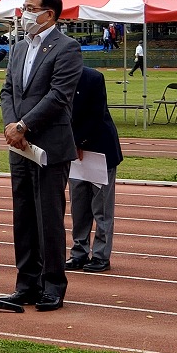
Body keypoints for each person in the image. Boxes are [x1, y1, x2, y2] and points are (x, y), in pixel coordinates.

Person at [0, 0, 83, 311]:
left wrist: (24, 125)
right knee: (23, 216)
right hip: (19, 146)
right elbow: (8, 91)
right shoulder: (19, 48)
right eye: (23, 7)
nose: (24, 13)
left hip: (48, 144)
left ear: (49, 13)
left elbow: (59, 95)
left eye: (30, 8)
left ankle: (53, 286)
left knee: (48, 217)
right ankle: (26, 283)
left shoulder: (67, 48)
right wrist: (12, 127)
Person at [66, 67, 124, 274]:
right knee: (78, 206)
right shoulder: (55, 77)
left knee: (101, 208)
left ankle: (100, 255)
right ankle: (79, 251)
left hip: (99, 150)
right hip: (73, 152)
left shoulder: (93, 78)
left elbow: (96, 114)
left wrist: (79, 142)